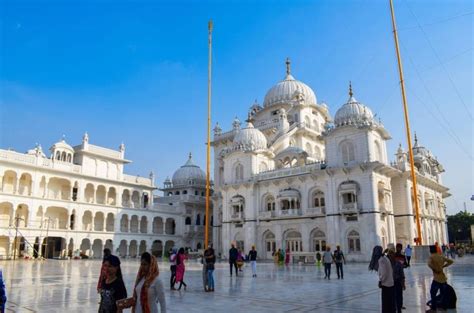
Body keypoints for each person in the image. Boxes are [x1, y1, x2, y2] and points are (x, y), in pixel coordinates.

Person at [427, 245, 454, 311]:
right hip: (443, 279)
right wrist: (444, 266)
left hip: (436, 279)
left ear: (430, 250)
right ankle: (444, 307)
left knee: (433, 293)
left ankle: (433, 308)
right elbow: (451, 261)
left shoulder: (431, 257)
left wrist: (434, 269)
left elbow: (429, 264)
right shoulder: (440, 256)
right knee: (443, 294)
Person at [378, 248, 395, 313]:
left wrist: (380, 281)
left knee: (386, 304)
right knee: (391, 304)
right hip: (390, 284)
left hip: (386, 285)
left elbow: (384, 273)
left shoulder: (381, 260)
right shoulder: (385, 259)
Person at [393, 246, 406, 313]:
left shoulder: (402, 256)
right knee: (395, 295)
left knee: (399, 294)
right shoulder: (390, 259)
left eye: (399, 248)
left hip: (398, 279)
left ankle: (399, 306)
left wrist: (403, 283)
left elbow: (405, 264)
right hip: (393, 281)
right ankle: (396, 307)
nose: (398, 249)